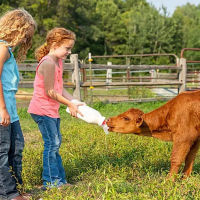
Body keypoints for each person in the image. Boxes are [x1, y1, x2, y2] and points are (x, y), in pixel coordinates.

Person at [28, 27, 84, 190]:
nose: (69, 52)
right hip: (41, 110)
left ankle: (60, 180)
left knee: (55, 143)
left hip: (51, 110)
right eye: (67, 48)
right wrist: (69, 104)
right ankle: (51, 182)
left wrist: (74, 100)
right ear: (54, 44)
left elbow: (60, 88)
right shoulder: (48, 62)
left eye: (70, 48)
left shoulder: (58, 61)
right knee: (52, 144)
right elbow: (50, 92)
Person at [0, 9, 36, 200]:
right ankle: (8, 194)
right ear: (15, 28)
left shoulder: (9, 51)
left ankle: (16, 189)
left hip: (11, 112)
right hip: (2, 111)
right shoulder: (2, 48)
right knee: (2, 152)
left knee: (16, 148)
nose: (25, 40)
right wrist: (2, 108)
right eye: (25, 35)